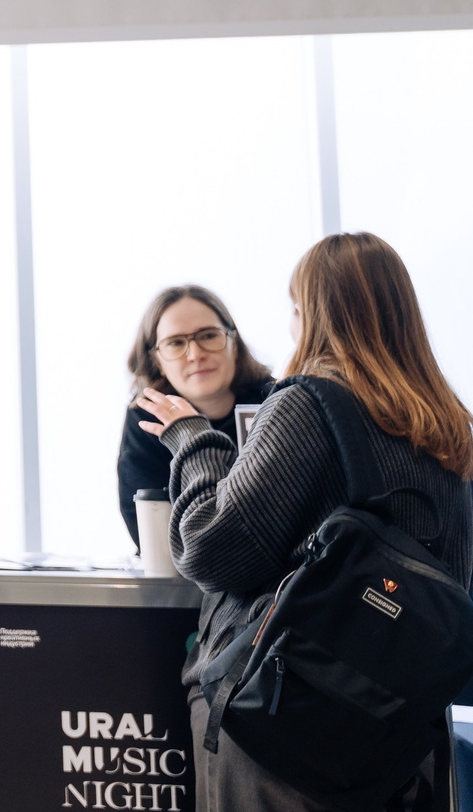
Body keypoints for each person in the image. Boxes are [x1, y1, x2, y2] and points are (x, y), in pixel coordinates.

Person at [135, 233, 473, 809]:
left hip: (283, 724)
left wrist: (193, 440)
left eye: (295, 308)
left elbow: (209, 551)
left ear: (313, 313)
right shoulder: (447, 424)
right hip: (395, 733)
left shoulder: (307, 403)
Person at [116, 285, 275, 545]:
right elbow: (151, 537)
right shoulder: (145, 419)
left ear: (234, 345)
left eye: (209, 335)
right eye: (176, 343)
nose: (196, 354)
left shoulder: (277, 401)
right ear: (157, 362)